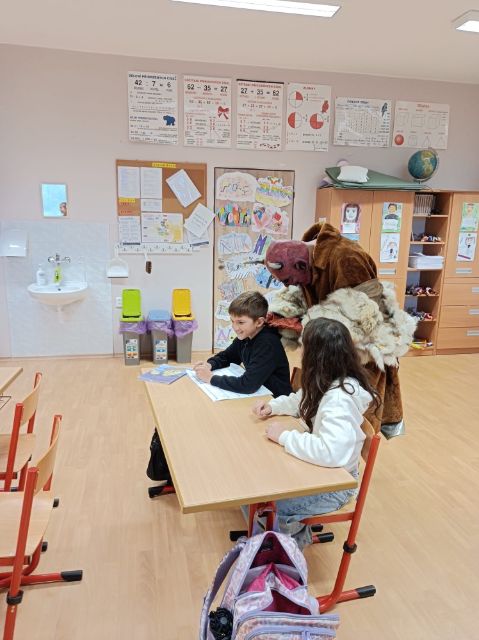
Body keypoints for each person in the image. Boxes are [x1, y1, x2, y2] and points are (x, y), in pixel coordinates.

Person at [264, 221, 416, 437]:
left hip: (358, 355)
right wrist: (283, 314)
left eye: (288, 279)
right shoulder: (309, 260)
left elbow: (366, 318)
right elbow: (306, 299)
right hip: (327, 350)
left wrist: (308, 327)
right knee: (322, 411)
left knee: (350, 421)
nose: (288, 285)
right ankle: (318, 443)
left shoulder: (347, 257)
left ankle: (337, 455)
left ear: (300, 265)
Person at [252, 317, 381, 548]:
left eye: (304, 346)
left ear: (317, 355)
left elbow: (330, 453)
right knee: (259, 488)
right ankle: (281, 537)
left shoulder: (339, 399)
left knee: (274, 505)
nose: (300, 351)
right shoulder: (326, 378)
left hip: (336, 486)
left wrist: (284, 437)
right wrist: (273, 407)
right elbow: (300, 400)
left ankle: (287, 554)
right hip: (323, 471)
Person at [194, 291, 292, 398]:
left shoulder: (267, 343)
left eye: (240, 322)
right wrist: (210, 365)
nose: (235, 327)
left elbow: (248, 385)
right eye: (232, 321)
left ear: (259, 322)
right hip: (260, 395)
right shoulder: (246, 336)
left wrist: (211, 378)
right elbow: (228, 356)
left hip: (275, 400)